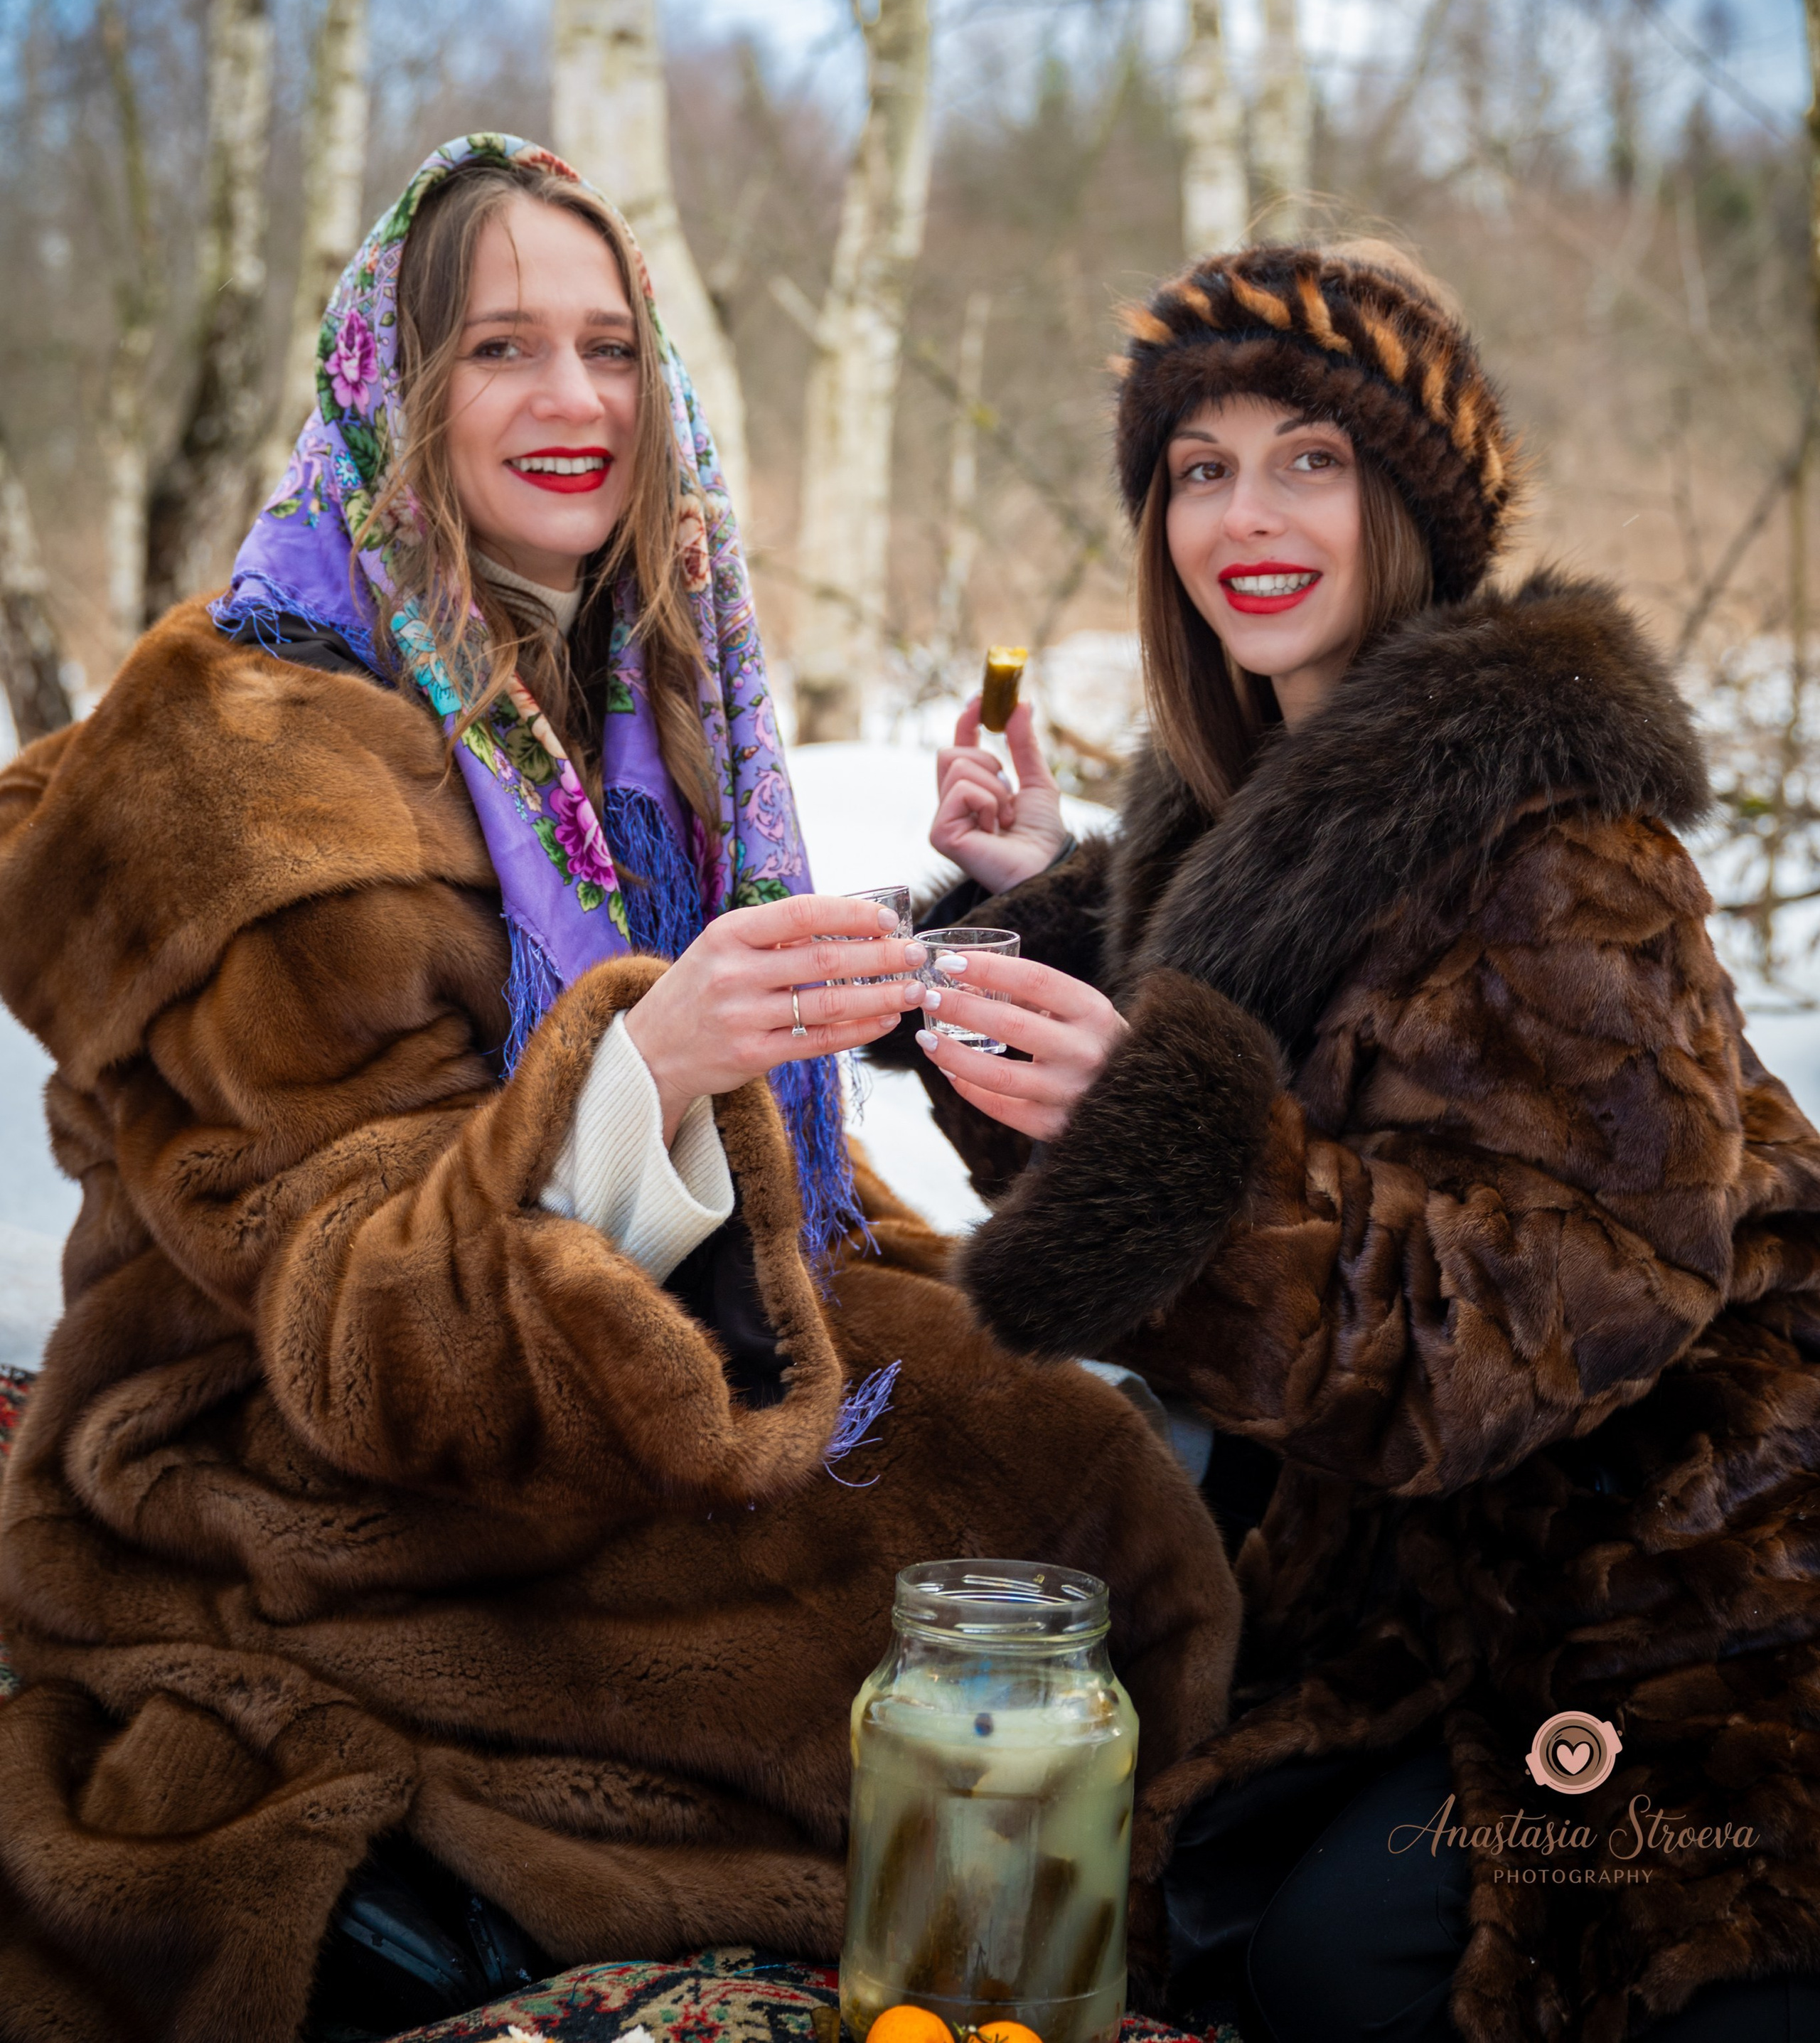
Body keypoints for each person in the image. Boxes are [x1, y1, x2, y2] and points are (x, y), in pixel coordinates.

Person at [0, 137, 1241, 2043]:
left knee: (1076, 1476)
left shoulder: (636, 687)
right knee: (953, 1615)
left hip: (576, 1349)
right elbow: (351, 1327)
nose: (576, 401)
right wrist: (649, 1067)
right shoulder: (253, 761)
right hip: (294, 1473)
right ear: (388, 393)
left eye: (613, 345)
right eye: (502, 347)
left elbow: (790, 1175)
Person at [874, 240, 1820, 2043]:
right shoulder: (1240, 811)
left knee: (1346, 1964)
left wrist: (1157, 1119)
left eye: (1310, 455)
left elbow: (1551, 1308)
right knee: (1183, 1881)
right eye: (1199, 465)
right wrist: (1052, 926)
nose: (1249, 513)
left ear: (1413, 503)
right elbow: (1213, 1156)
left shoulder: (1564, 847)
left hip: (1686, 1581)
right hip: (1404, 1563)